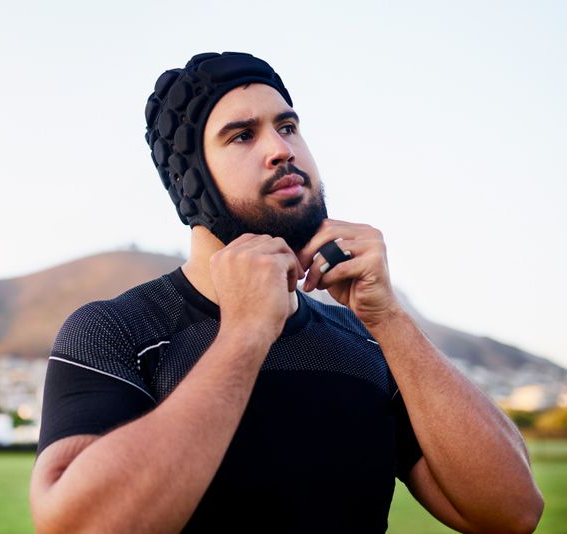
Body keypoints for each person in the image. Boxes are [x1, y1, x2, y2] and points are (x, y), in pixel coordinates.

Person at [29, 52, 543, 533]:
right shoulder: (117, 331)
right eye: (241, 136)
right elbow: (80, 524)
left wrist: (388, 319)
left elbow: (510, 512)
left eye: (288, 126)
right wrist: (246, 332)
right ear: (190, 179)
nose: (281, 149)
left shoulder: (368, 343)